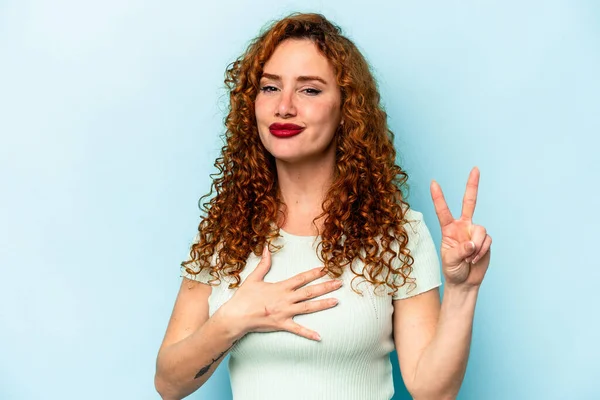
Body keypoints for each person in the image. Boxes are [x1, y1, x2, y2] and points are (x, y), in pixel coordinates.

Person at [154, 12, 492, 400]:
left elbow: (434, 391)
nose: (283, 107)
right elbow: (168, 383)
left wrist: (462, 290)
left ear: (346, 109)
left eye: (309, 90)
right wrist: (233, 318)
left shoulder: (397, 232)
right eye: (269, 88)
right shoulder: (225, 230)